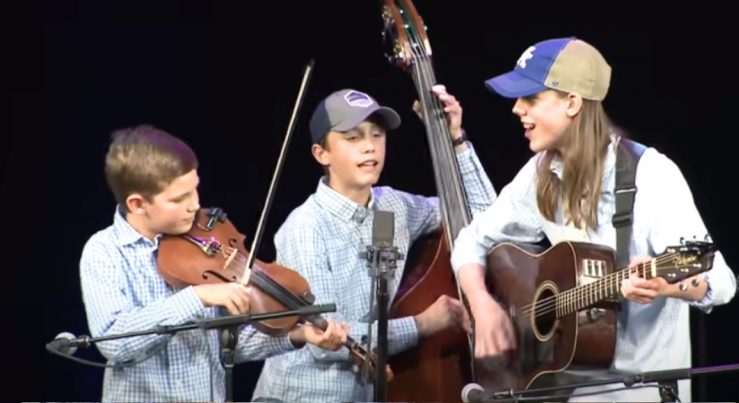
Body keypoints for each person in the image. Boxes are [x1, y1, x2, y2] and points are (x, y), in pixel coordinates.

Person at [450, 37, 737, 402]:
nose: (516, 109)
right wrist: (483, 304)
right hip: (570, 389)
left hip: (643, 392)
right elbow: (471, 240)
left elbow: (718, 281)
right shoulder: (540, 172)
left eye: (531, 99)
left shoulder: (651, 175)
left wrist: (663, 285)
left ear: (572, 102)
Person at [252, 86, 498, 402]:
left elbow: (484, 219)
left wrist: (455, 139)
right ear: (321, 154)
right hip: (302, 394)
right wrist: (423, 324)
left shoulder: (392, 207)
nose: (369, 147)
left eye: (377, 135)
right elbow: (327, 341)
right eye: (353, 138)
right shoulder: (305, 227)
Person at [79, 125, 349, 402]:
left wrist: (299, 335)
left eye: (194, 190)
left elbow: (227, 346)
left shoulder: (205, 240)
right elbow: (114, 342)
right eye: (179, 199)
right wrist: (197, 297)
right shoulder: (104, 252)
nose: (194, 205)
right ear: (137, 204)